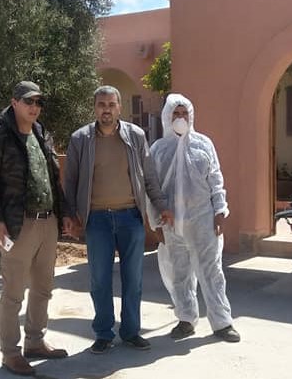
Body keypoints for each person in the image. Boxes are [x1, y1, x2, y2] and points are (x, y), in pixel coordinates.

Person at [63, 85, 173, 354]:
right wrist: (70, 214)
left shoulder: (135, 136)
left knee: (133, 279)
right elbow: (71, 181)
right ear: (94, 107)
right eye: (102, 104)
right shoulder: (80, 139)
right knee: (99, 280)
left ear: (119, 108)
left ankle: (131, 332)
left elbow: (149, 177)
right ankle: (103, 333)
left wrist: (161, 206)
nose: (106, 110)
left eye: (111, 105)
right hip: (97, 220)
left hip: (130, 218)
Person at [0, 81, 70, 376]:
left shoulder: (43, 135)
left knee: (43, 288)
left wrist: (64, 213)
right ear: (14, 102)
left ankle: (35, 342)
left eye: (38, 102)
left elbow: (53, 179)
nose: (34, 107)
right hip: (18, 225)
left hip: (48, 222)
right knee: (13, 293)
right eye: (29, 101)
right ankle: (10, 353)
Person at [149, 93, 240, 343]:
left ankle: (222, 323)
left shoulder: (204, 144)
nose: (180, 118)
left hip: (203, 220)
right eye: (175, 114)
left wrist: (220, 212)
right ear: (167, 117)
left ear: (191, 116)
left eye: (184, 113)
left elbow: (216, 179)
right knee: (180, 273)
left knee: (212, 271)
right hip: (171, 222)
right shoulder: (158, 149)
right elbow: (152, 189)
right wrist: (155, 223)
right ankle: (186, 319)